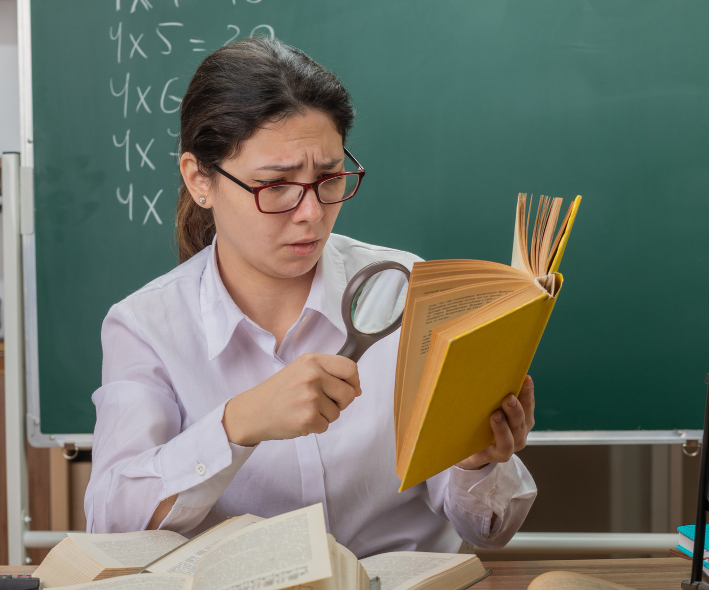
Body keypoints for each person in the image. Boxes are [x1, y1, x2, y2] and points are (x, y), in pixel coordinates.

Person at [84, 37, 536, 557]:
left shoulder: (409, 290)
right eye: (275, 185)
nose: (311, 213)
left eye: (328, 177)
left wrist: (476, 461)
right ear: (199, 179)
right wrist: (238, 424)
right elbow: (110, 523)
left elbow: (489, 531)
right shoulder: (146, 325)